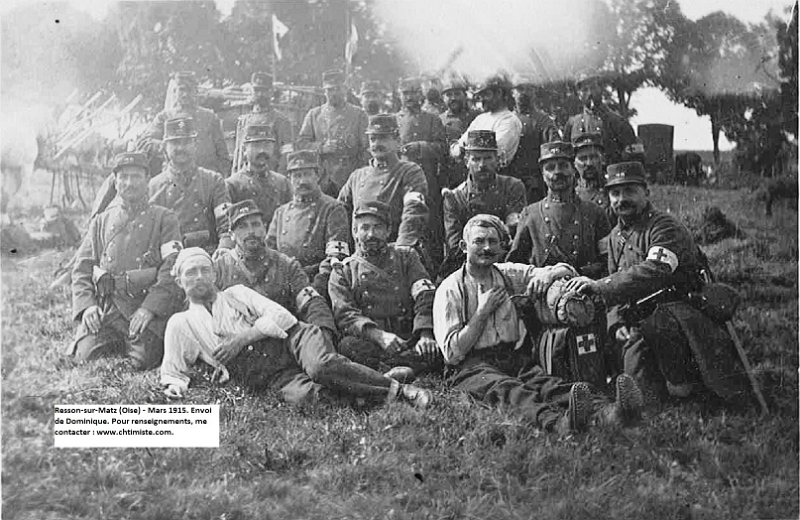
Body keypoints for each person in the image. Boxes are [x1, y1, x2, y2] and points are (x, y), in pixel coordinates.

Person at [564, 162, 751, 406]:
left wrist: (600, 286)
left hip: (683, 312)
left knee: (653, 333)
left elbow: (656, 270)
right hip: (640, 315)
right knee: (616, 345)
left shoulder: (664, 226)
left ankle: (682, 388)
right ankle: (641, 396)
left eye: (630, 191)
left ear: (646, 192)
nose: (622, 199)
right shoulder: (614, 238)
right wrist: (617, 322)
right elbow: (618, 286)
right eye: (615, 193)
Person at [433, 214, 643, 431]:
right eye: (479, 241)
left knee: (547, 384)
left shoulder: (506, 274)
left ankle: (610, 412)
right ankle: (560, 423)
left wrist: (548, 274)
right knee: (511, 390)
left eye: (492, 242)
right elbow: (453, 353)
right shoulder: (450, 289)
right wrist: (482, 312)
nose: (487, 248)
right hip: (470, 368)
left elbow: (566, 270)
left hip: (510, 357)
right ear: (463, 246)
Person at [160, 247, 432, 407]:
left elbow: (282, 317)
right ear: (178, 281)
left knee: (321, 367)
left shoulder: (236, 294)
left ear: (214, 274)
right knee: (312, 397)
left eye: (204, 270)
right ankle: (381, 380)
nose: (199, 278)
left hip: (294, 339)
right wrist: (175, 387)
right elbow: (173, 370)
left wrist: (242, 339)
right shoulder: (181, 323)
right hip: (267, 373)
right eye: (190, 272)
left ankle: (400, 392)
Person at [68, 152, 183, 369]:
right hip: (108, 308)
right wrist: (88, 307)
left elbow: (172, 268)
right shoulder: (101, 221)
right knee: (83, 357)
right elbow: (82, 269)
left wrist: (150, 308)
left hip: (144, 307)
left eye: (136, 176)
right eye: (124, 177)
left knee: (143, 362)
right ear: (115, 181)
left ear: (147, 179)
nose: (130, 183)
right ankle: (108, 338)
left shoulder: (164, 218)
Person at [329, 201, 440, 381]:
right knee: (348, 346)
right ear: (355, 232)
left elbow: (424, 293)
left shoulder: (406, 257)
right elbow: (346, 314)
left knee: (434, 350)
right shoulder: (344, 271)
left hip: (408, 336)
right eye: (364, 228)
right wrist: (379, 337)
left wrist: (425, 334)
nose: (371, 234)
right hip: (372, 340)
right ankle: (402, 371)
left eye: (378, 227)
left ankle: (382, 375)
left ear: (388, 231)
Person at [214, 199, 337, 341]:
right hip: (238, 346)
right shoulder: (220, 268)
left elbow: (310, 301)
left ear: (264, 228)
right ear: (232, 234)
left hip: (282, 343)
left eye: (255, 224)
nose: (251, 232)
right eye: (242, 227)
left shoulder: (286, 265)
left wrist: (323, 333)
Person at [508, 141, 611, 279]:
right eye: (550, 168)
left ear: (574, 170)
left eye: (563, 166)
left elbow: (607, 261)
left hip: (584, 289)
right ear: (543, 174)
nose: (557, 172)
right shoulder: (530, 214)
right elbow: (515, 263)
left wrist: (579, 273)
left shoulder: (595, 212)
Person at [337, 113, 429, 251]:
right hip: (362, 257)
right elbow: (339, 214)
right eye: (373, 139)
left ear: (397, 140)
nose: (377, 144)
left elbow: (414, 212)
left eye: (383, 138)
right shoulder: (357, 176)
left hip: (394, 254)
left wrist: (403, 247)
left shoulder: (410, 171)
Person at [441, 130, 526, 277]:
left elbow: (514, 231)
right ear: (466, 161)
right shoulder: (454, 198)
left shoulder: (513, 187)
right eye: (476, 159)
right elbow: (455, 244)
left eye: (487, 158)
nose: (482, 165)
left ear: (497, 159)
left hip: (506, 264)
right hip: (467, 267)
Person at [148, 117, 233, 252]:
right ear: (165, 147)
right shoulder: (153, 187)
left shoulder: (213, 181)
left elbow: (227, 227)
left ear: (195, 145)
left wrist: (222, 252)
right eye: (175, 143)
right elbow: (151, 237)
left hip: (210, 257)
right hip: (172, 260)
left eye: (187, 142)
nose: (181, 148)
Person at [266, 150, 350, 280]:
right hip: (284, 281)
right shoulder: (281, 213)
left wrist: (318, 285)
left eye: (307, 174)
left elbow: (336, 257)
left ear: (317, 175)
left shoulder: (332, 208)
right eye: (297, 176)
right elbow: (269, 252)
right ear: (289, 179)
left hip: (316, 280)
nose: (302, 181)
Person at [395, 77, 447, 266]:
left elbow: (443, 148)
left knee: (431, 226)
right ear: (399, 95)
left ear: (421, 94)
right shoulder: (394, 120)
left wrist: (420, 147)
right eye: (405, 93)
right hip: (402, 182)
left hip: (428, 181)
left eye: (413, 92)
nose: (409, 97)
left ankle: (435, 269)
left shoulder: (432, 119)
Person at [138, 71, 230, 176]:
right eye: (181, 89)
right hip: (174, 178)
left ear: (196, 92)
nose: (185, 94)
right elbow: (144, 142)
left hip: (206, 180)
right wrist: (164, 146)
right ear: (174, 92)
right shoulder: (164, 117)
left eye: (189, 90)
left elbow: (223, 154)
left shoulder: (210, 117)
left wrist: (222, 176)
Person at [297, 70, 369, 196]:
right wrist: (321, 148)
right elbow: (301, 144)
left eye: (338, 89)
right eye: (330, 90)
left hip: (349, 176)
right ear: (324, 91)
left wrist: (360, 175)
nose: (334, 93)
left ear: (345, 89)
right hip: (322, 177)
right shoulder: (314, 115)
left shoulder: (358, 115)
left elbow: (366, 148)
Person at [225, 123, 292, 230]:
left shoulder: (282, 183)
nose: (262, 151)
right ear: (244, 150)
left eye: (267, 145)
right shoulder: (232, 185)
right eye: (256, 146)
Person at [562, 73, 637, 166]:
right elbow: (566, 159)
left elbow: (632, 159)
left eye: (593, 88)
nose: (590, 93)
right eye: (585, 90)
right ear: (579, 95)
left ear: (601, 89)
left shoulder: (618, 122)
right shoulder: (572, 124)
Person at [452, 75, 522, 172]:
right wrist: (463, 148)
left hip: (498, 176)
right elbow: (456, 149)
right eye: (480, 96)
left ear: (499, 93)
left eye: (486, 94)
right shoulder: (480, 119)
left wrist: (466, 147)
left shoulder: (509, 120)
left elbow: (494, 151)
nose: (482, 99)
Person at [508, 75, 561, 203]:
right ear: (512, 93)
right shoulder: (506, 120)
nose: (524, 93)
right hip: (510, 183)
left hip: (535, 185)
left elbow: (555, 150)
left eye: (528, 89)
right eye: (520, 89)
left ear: (534, 92)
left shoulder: (543, 121)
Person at [232, 71, 294, 174]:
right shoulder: (243, 122)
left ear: (271, 92)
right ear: (252, 91)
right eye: (257, 90)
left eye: (264, 90)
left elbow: (286, 155)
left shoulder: (281, 121)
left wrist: (278, 181)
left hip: (268, 178)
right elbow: (238, 154)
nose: (260, 94)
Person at [439, 77, 479, 188]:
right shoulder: (439, 121)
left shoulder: (477, 117)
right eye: (449, 95)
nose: (453, 98)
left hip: (476, 172)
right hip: (451, 176)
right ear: (443, 98)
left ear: (465, 95)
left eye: (457, 94)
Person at [572, 132, 612, 221]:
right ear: (574, 163)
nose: (589, 163)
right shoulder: (571, 195)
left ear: (603, 160)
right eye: (583, 158)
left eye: (594, 157)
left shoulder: (613, 191)